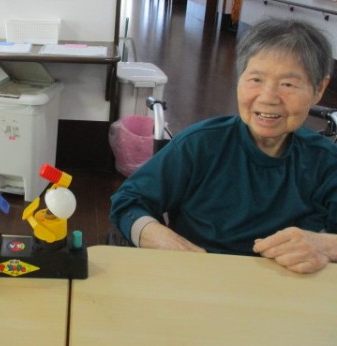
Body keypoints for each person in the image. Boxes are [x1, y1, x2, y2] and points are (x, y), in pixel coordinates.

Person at [110, 18, 337, 274]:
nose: (268, 98)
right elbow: (128, 202)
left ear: (319, 89)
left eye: (288, 84)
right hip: (201, 277)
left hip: (287, 286)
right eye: (256, 79)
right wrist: (166, 242)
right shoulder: (200, 145)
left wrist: (325, 245)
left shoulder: (326, 161)